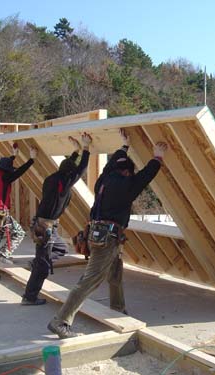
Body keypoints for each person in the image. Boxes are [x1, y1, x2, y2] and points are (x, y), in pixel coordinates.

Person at [47, 129, 168, 338]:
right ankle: (61, 321)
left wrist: (124, 145)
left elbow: (113, 164)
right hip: (107, 238)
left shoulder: (103, 180)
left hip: (100, 234)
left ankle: (117, 309)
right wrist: (157, 157)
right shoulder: (125, 185)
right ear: (127, 172)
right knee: (90, 279)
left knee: (114, 272)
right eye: (129, 172)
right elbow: (145, 177)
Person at [21, 133, 92, 305]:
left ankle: (38, 262)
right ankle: (30, 296)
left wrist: (75, 152)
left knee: (60, 248)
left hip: (42, 223)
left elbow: (69, 167)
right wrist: (86, 148)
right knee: (43, 265)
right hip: (45, 226)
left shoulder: (51, 179)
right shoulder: (64, 181)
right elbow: (80, 169)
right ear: (68, 173)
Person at [0, 144, 37, 282]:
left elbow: (8, 167)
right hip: (0, 213)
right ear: (7, 170)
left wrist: (14, 155)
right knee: (19, 233)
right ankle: (3, 253)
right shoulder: (6, 178)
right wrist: (31, 160)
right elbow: (19, 172)